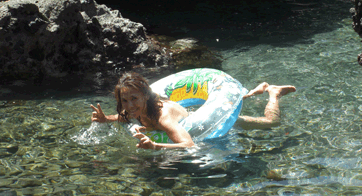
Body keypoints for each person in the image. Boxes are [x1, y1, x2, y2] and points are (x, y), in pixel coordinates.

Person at [91, 72, 296, 150]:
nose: (129, 105)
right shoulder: (134, 110)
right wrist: (106, 119)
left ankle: (273, 93)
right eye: (124, 100)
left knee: (271, 123)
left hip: (210, 121)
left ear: (145, 95)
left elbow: (189, 144)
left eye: (133, 99)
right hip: (193, 112)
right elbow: (124, 117)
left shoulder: (163, 119)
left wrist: (156, 146)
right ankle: (252, 93)